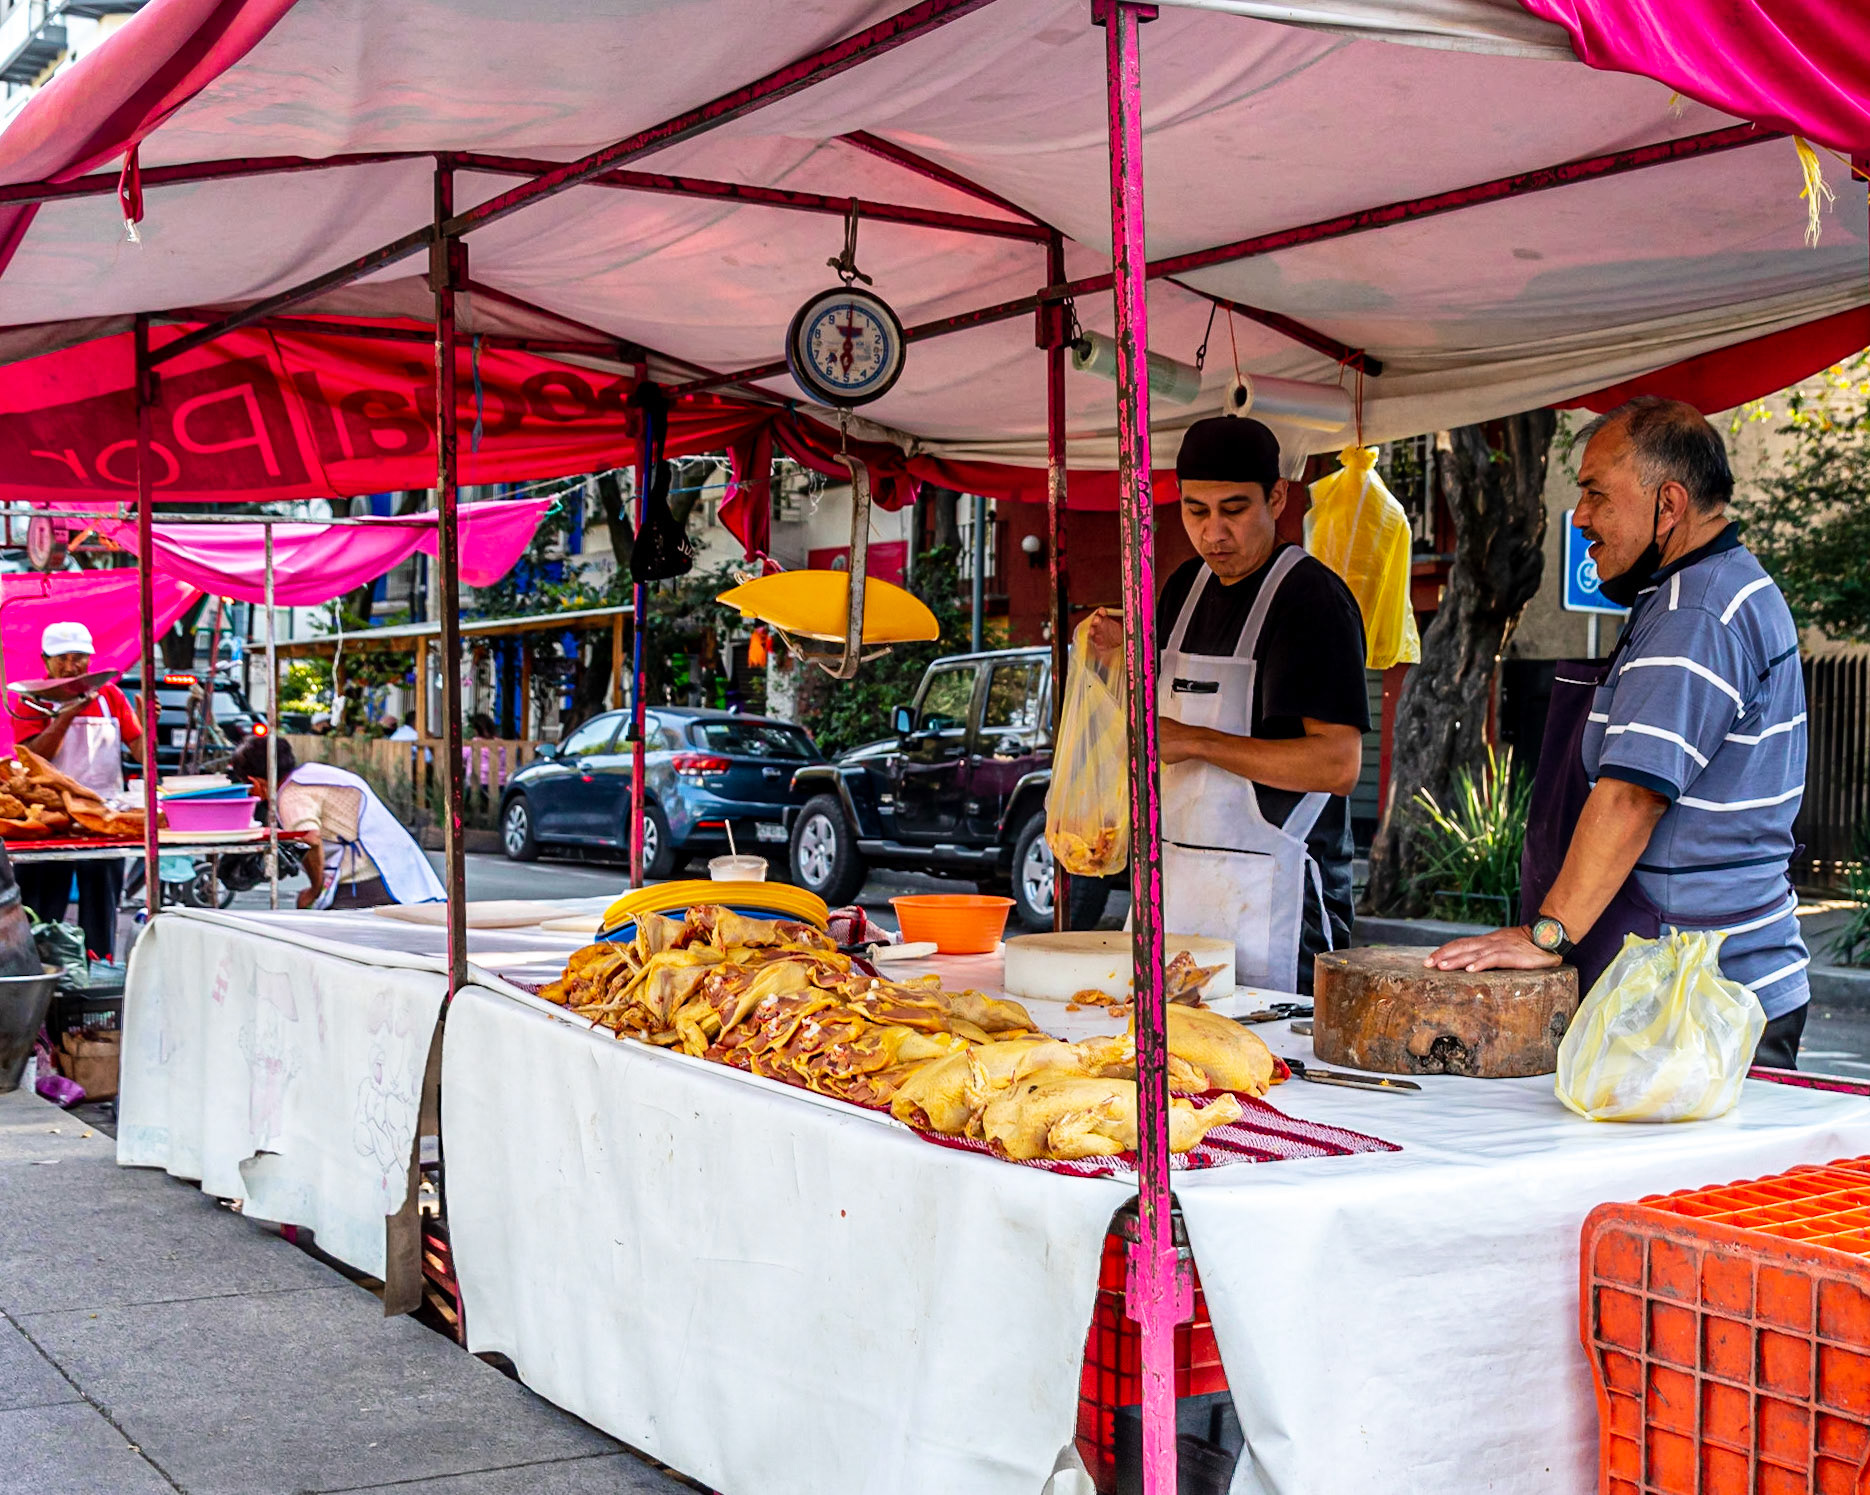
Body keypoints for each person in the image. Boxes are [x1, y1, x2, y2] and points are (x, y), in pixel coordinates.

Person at [1429, 397, 1810, 1068]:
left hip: (1702, 1009)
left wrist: (1547, 934)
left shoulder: (1698, 612)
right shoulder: (1699, 592)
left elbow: (1633, 795)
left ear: (1668, 503)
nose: (1580, 518)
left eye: (1595, 495)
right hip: (1688, 996)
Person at [1090, 415, 1369, 993]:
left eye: (1234, 509)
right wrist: (1122, 657)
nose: (1214, 532)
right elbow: (1156, 707)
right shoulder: (1183, 587)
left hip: (1280, 908)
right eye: (1196, 511)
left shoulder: (1311, 601)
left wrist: (1194, 741)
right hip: (1177, 893)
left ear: (1277, 497)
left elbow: (1337, 765)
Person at [7, 622, 145, 960]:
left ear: (91, 659)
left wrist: (147, 723)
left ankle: (98, 973)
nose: (71, 666)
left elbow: (141, 753)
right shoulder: (31, 700)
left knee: (102, 906)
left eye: (79, 658)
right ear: (46, 660)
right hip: (48, 820)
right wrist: (65, 717)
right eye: (62, 658)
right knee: (42, 909)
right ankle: (48, 978)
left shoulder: (112, 696)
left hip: (104, 818)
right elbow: (33, 756)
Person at [228, 735, 443, 909]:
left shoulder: (292, 795)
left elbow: (310, 839)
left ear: (255, 781)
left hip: (365, 880)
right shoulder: (311, 774)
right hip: (394, 868)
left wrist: (314, 889)